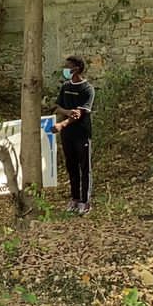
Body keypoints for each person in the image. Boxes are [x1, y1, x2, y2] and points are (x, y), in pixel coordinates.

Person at [52, 56, 94, 215]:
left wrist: (62, 124)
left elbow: (79, 113)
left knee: (84, 167)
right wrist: (66, 112)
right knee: (71, 167)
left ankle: (85, 201)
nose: (66, 69)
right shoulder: (65, 86)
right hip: (67, 135)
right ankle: (74, 198)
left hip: (82, 134)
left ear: (77, 68)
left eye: (69, 66)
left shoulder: (87, 89)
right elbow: (57, 106)